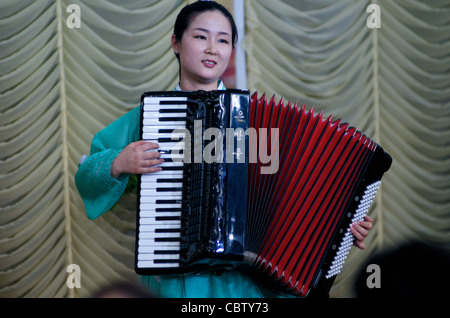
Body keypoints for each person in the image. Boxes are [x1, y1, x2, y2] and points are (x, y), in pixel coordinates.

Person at [75, 0, 373, 298]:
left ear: (232, 49)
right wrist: (118, 162)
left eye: (223, 40)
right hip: (179, 285)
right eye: (201, 36)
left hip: (249, 288)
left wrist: (342, 224)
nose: (212, 49)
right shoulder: (150, 118)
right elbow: (87, 178)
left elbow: (299, 196)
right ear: (176, 43)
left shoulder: (259, 120)